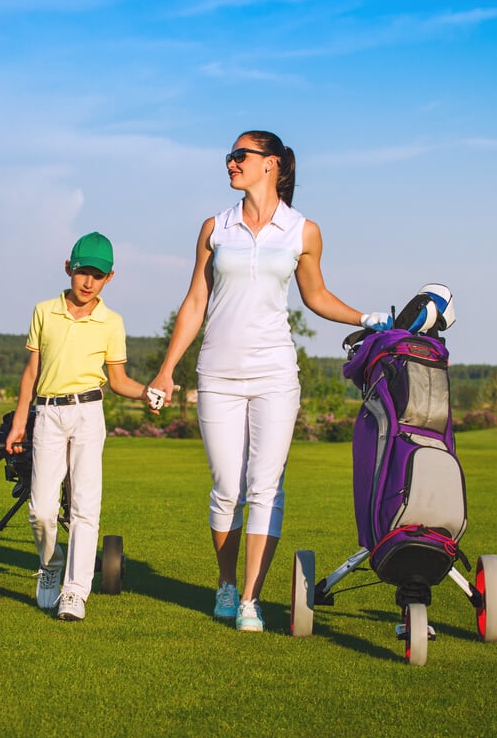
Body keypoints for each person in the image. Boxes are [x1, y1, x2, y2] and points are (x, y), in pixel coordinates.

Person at [148, 130, 391, 632]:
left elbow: (316, 296)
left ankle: (250, 601)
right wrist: (167, 369)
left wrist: (366, 318)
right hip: (217, 374)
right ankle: (226, 583)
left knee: (265, 486)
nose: (231, 163)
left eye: (240, 155)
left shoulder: (303, 231)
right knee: (226, 487)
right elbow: (195, 302)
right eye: (230, 156)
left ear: (271, 164)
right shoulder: (216, 227)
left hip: (275, 375)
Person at [5, 232, 156, 622]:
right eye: (82, 272)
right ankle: (51, 565)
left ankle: (75, 591)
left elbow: (118, 380)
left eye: (98, 275)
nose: (88, 282)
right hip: (47, 414)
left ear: (109, 278)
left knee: (85, 507)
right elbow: (32, 372)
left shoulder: (111, 322)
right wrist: (19, 422)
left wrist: (146, 392)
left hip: (88, 413)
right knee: (41, 509)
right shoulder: (44, 312)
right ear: (68, 268)